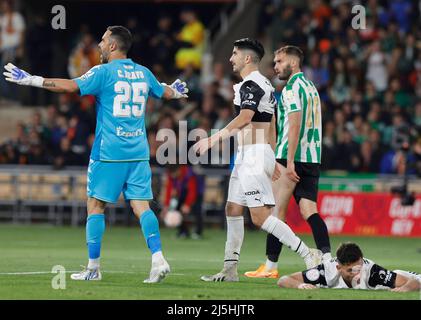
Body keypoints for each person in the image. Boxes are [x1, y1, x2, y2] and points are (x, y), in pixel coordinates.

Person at [3, 25, 189, 283]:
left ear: (113, 46)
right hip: (137, 153)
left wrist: (32, 79)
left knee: (95, 205)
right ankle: (158, 259)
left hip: (109, 152)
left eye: (102, 41)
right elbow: (167, 92)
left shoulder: (103, 72)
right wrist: (175, 89)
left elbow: (70, 86)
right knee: (141, 206)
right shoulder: (143, 72)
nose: (99, 45)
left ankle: (93, 268)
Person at [193, 38, 321, 282]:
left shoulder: (251, 85)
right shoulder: (263, 84)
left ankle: (309, 254)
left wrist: (211, 140)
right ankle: (230, 270)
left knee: (260, 217)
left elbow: (244, 118)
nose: (231, 58)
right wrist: (271, 156)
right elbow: (272, 123)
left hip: (253, 154)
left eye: (234, 54)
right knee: (232, 208)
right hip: (248, 155)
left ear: (247, 58)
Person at [245, 46, 332, 279]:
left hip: (289, 157)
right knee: (309, 210)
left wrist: (290, 161)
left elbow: (294, 125)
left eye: (279, 61)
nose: (275, 67)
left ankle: (270, 266)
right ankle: (327, 259)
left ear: (292, 63)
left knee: (276, 213)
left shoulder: (292, 88)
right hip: (312, 157)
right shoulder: (311, 87)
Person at [278, 242, 421, 292]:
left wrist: (406, 288)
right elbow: (284, 280)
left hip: (409, 275)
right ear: (338, 267)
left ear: (361, 260)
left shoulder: (373, 271)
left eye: (358, 268)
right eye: (350, 270)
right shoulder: (325, 271)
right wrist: (300, 286)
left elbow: (415, 282)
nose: (355, 273)